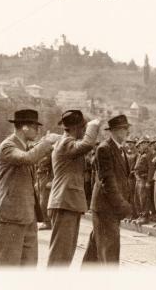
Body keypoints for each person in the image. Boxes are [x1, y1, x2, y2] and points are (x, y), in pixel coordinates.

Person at [0, 109, 60, 267]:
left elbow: (33, 153)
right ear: (24, 128)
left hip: (27, 216)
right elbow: (28, 158)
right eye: (35, 126)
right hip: (10, 216)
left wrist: (50, 144)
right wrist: (47, 142)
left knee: (28, 267)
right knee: (8, 267)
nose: (38, 130)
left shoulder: (23, 146)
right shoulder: (8, 146)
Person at [47, 110, 100, 267]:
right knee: (61, 254)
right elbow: (87, 144)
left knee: (65, 252)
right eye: (83, 128)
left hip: (67, 202)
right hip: (65, 202)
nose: (84, 132)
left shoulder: (65, 143)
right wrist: (93, 125)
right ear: (77, 128)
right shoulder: (66, 143)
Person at [82, 115, 134, 266]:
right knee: (109, 250)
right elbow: (108, 181)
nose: (127, 132)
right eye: (125, 129)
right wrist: (121, 204)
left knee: (96, 248)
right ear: (116, 130)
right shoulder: (105, 149)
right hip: (106, 207)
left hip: (108, 207)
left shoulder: (120, 149)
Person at [132, 138, 154, 224]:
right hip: (138, 178)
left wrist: (149, 181)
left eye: (144, 143)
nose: (142, 145)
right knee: (137, 198)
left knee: (144, 198)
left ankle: (145, 216)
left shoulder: (149, 154)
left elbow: (151, 168)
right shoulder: (141, 154)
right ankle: (140, 215)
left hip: (144, 178)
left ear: (147, 144)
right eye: (141, 144)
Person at [36, 154, 54, 230]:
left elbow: (55, 167)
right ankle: (45, 221)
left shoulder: (51, 151)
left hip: (46, 176)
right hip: (40, 176)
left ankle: (47, 222)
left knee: (44, 201)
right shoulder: (42, 149)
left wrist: (52, 180)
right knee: (40, 199)